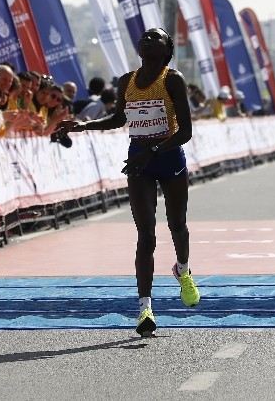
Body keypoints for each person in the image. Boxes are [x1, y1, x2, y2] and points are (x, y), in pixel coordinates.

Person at [56, 28, 199, 337]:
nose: (148, 39)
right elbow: (118, 119)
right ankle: (145, 308)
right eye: (145, 36)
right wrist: (83, 125)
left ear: (167, 49)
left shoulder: (172, 80)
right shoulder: (126, 81)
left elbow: (185, 131)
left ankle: (183, 271)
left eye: (156, 37)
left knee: (177, 225)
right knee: (146, 235)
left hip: (168, 156)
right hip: (138, 160)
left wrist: (154, 151)